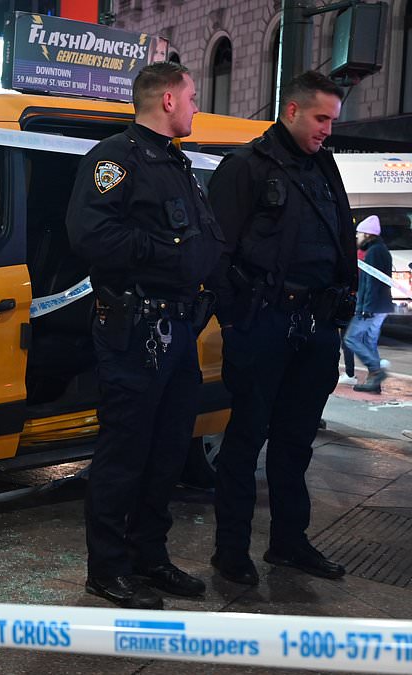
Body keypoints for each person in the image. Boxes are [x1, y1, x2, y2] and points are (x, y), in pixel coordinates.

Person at [66, 62, 220, 610]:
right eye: (194, 97)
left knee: (167, 450)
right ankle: (107, 570)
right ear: (169, 102)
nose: (198, 106)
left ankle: (150, 557)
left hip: (177, 329)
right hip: (135, 330)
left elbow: (203, 239)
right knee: (125, 452)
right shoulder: (116, 159)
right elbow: (92, 235)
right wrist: (170, 258)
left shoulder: (175, 163)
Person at [206, 71, 356, 586]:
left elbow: (340, 235)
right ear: (291, 111)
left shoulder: (323, 166)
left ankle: (289, 543)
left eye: (332, 121)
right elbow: (217, 254)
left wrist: (341, 311)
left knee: (296, 442)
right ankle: (231, 551)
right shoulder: (245, 167)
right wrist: (237, 321)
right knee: (246, 439)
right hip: (264, 321)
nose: (327, 130)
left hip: (315, 325)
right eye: (320, 118)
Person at [346, 215, 394, 393]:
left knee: (351, 338)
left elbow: (371, 283)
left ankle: (376, 370)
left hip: (371, 307)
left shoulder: (374, 252)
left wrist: (366, 307)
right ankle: (375, 382)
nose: (357, 237)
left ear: (367, 235)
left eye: (359, 234)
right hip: (380, 306)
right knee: (369, 341)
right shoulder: (381, 249)